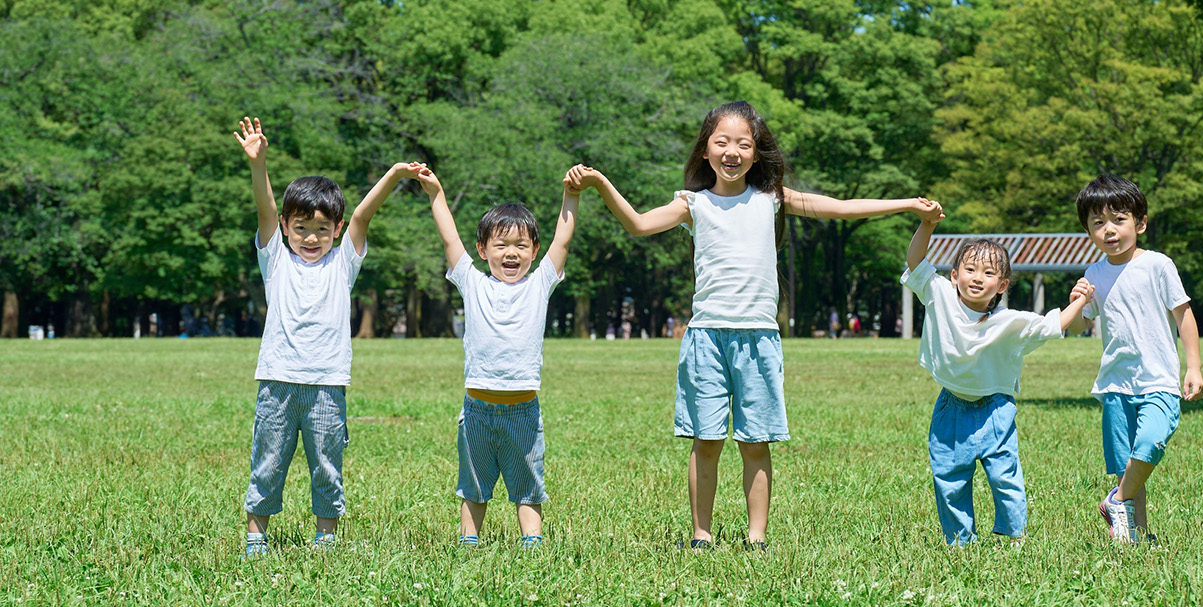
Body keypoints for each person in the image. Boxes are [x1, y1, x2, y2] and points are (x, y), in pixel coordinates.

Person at [567, 100, 941, 551]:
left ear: (756, 154)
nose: (732, 151)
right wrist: (601, 183)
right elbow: (639, 225)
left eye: (744, 143)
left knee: (755, 442)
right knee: (705, 442)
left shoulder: (771, 199)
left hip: (759, 339)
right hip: (706, 338)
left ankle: (756, 539)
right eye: (721, 141)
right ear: (705, 151)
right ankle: (700, 536)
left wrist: (908, 206)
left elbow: (840, 208)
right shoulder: (693, 204)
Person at [234, 117, 424, 556]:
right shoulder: (275, 261)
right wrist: (258, 165)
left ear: (336, 230)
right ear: (285, 227)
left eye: (322, 228)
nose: (311, 237)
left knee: (326, 466)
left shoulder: (343, 265)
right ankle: (256, 537)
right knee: (268, 462)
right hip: (278, 381)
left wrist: (395, 175)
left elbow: (362, 214)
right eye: (301, 228)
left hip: (327, 385)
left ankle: (326, 538)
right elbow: (264, 208)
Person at [903, 215, 1095, 545]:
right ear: (954, 275)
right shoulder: (938, 295)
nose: (978, 278)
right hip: (950, 405)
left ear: (1002, 285)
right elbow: (915, 260)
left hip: (995, 409)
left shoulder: (1011, 322)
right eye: (970, 270)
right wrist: (928, 225)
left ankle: (1013, 537)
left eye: (989, 273)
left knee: (1005, 477)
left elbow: (1054, 324)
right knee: (949, 477)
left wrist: (1080, 298)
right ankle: (960, 542)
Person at [427, 164, 581, 549]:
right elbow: (449, 239)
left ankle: (532, 543)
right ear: (482, 250)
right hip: (477, 409)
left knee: (528, 484)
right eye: (500, 245)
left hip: (523, 410)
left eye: (521, 246)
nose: (511, 253)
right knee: (473, 483)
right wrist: (435, 193)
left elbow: (562, 240)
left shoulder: (541, 283)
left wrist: (572, 194)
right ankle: (468, 542)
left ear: (534, 251)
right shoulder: (471, 282)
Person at [1065, 175, 1203, 544]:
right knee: (1129, 461)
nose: (1109, 230)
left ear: (1139, 223)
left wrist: (1194, 366)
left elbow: (1183, 315)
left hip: (1158, 379)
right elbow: (1079, 326)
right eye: (1098, 223)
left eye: (1119, 220)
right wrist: (1077, 300)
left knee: (1152, 442)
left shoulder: (1158, 265)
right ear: (1088, 231)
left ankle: (1117, 500)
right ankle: (1138, 535)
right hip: (1115, 382)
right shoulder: (1093, 274)